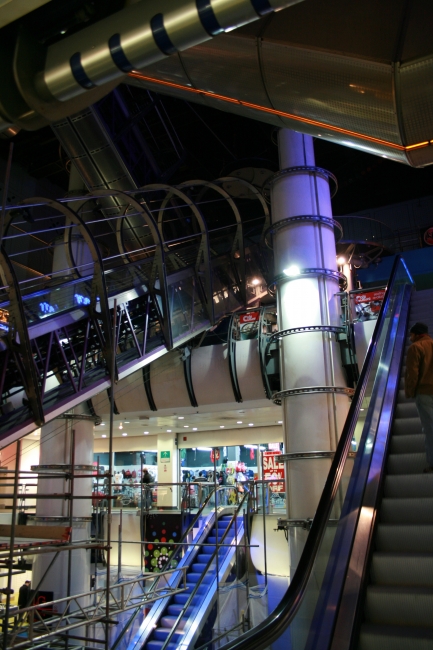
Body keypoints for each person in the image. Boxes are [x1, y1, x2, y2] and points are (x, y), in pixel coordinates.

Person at [405, 322, 433, 473]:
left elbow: (413, 374)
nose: (410, 338)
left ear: (416, 334)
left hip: (424, 393)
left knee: (430, 428)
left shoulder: (416, 347)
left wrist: (410, 391)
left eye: (411, 335)